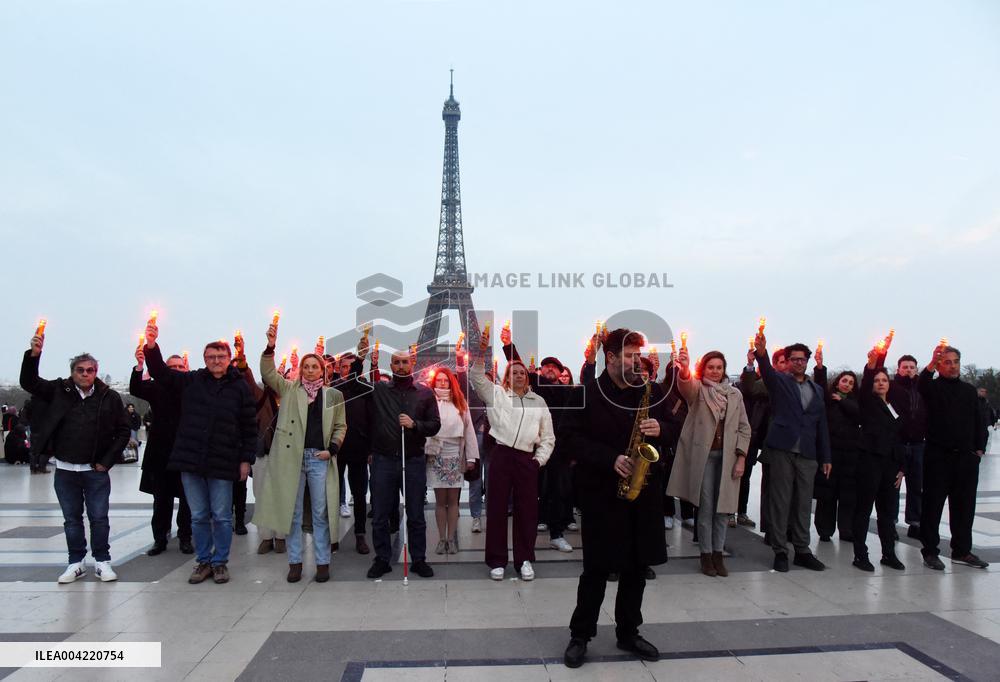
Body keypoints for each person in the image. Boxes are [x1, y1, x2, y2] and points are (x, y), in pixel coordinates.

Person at [563, 328, 668, 668]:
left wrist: (660, 429)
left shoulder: (650, 391)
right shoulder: (587, 392)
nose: (637, 362)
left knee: (637, 568)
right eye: (628, 356)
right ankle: (580, 635)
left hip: (642, 493)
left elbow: (676, 424)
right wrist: (609, 458)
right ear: (609, 357)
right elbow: (569, 439)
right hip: (601, 493)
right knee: (595, 569)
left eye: (638, 355)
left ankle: (628, 632)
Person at [143, 322, 257, 585]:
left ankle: (220, 563)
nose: (216, 361)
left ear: (229, 359)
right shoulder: (192, 381)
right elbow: (161, 373)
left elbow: (250, 427)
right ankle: (203, 560)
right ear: (204, 360)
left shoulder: (239, 387)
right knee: (198, 515)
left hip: (223, 460)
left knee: (221, 515)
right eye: (211, 357)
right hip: (192, 460)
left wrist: (245, 460)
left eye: (221, 357)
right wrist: (151, 345)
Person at [20, 333, 129, 584]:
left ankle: (102, 561)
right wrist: (34, 355)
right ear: (72, 372)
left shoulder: (108, 397)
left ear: (96, 372)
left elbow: (123, 431)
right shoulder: (59, 390)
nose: (85, 374)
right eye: (80, 370)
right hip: (66, 469)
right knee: (72, 519)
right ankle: (76, 562)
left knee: (99, 518)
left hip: (95, 470)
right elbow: (29, 381)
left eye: (90, 370)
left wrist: (107, 461)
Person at [253, 322, 347, 583]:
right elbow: (268, 373)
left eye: (314, 366)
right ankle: (294, 562)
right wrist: (271, 346)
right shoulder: (289, 389)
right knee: (292, 514)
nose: (309, 370)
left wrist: (333, 449)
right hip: (292, 459)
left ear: (322, 370)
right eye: (306, 366)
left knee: (320, 513)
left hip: (319, 458)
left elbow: (340, 425)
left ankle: (322, 562)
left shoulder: (333, 395)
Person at [471, 332, 555, 581]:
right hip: (501, 454)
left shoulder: (538, 401)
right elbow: (476, 378)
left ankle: (525, 559)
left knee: (527, 511)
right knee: (496, 508)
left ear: (527, 377)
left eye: (522, 372)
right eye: (513, 372)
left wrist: (538, 460)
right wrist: (481, 353)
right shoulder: (496, 394)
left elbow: (548, 437)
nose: (518, 375)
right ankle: (497, 560)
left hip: (526, 459)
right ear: (506, 376)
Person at [669, 349, 751, 577]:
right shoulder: (699, 391)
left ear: (724, 370)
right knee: (705, 508)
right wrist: (684, 369)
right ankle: (705, 555)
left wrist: (741, 457)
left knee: (723, 510)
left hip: (728, 460)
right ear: (703, 369)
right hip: (704, 458)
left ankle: (718, 553)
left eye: (719, 367)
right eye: (710, 367)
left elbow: (745, 428)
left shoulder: (735, 395)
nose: (715, 372)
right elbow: (686, 386)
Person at [753, 335, 831, 572]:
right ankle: (780, 550)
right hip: (782, 449)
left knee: (804, 502)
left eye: (802, 359)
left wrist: (826, 456)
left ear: (807, 362)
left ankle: (802, 549)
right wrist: (762, 352)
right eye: (793, 359)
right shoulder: (780, 382)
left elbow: (822, 424)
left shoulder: (816, 389)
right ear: (786, 362)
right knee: (781, 500)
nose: (798, 363)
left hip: (807, 452)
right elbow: (766, 370)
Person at [364, 345, 441, 580]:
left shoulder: (425, 393)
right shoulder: (380, 390)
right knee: (380, 514)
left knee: (416, 513)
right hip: (384, 460)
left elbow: (435, 424)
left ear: (412, 363)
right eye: (396, 362)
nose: (400, 366)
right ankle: (382, 559)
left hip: (413, 460)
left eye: (404, 362)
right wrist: (365, 359)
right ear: (391, 365)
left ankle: (419, 559)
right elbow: (359, 382)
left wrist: (415, 424)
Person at [918, 344, 989, 570]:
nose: (952, 366)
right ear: (940, 365)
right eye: (947, 362)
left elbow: (979, 421)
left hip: (965, 459)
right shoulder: (932, 387)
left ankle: (962, 550)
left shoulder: (969, 391)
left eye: (955, 362)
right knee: (933, 505)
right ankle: (930, 551)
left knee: (964, 507)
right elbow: (922, 383)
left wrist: (979, 449)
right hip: (938, 456)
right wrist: (931, 362)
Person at [130, 347, 193, 555]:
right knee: (161, 499)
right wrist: (139, 366)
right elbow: (136, 388)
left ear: (186, 369)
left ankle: (185, 536)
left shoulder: (192, 386)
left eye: (180, 366)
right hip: (161, 452)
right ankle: (160, 538)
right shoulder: (157, 387)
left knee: (187, 500)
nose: (176, 370)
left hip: (186, 451)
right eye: (171, 367)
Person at [851, 345, 906, 572]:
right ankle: (860, 554)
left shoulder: (893, 406)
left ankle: (888, 553)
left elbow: (899, 437)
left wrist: (902, 467)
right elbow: (865, 386)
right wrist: (873, 364)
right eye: (877, 380)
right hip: (870, 462)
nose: (881, 383)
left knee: (887, 512)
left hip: (890, 464)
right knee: (864, 509)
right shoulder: (868, 402)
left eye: (884, 380)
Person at [232, 334, 285, 554]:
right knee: (262, 493)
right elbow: (246, 375)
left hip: (283, 452)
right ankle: (265, 537)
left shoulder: (290, 392)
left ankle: (281, 536)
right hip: (262, 452)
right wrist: (241, 356)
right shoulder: (259, 394)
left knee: (281, 493)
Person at [424, 367, 479, 554]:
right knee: (440, 500)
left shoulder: (460, 402)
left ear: (451, 382)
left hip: (455, 453)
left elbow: (469, 430)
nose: (441, 383)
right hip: (435, 453)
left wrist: (471, 456)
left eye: (445, 380)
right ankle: (441, 538)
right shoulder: (429, 401)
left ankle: (451, 538)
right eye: (438, 380)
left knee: (453, 500)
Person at [813, 370, 861, 543]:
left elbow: (858, 413)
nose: (847, 384)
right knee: (827, 495)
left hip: (850, 456)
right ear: (837, 382)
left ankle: (846, 528)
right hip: (830, 454)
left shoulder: (855, 402)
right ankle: (824, 529)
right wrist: (820, 368)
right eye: (844, 381)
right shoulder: (828, 400)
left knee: (848, 496)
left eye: (850, 382)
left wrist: (843, 401)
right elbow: (819, 384)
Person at [886, 354, 927, 539]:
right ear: (898, 369)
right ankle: (891, 522)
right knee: (894, 485)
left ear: (916, 370)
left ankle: (915, 522)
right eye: (905, 367)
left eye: (912, 367)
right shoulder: (893, 387)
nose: (908, 370)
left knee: (916, 485)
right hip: (898, 442)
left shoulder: (922, 388)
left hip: (918, 442)